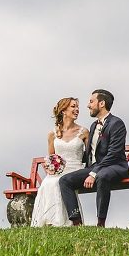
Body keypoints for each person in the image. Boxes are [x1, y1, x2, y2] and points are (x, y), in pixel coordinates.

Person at [59, 89, 129, 228]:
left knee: (102, 176)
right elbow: (89, 153)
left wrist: (93, 173)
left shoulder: (117, 124)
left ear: (101, 103)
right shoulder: (93, 125)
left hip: (115, 166)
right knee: (65, 180)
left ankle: (100, 223)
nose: (88, 105)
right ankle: (77, 222)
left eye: (91, 102)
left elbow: (113, 154)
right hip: (95, 167)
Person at [30, 97, 89, 227]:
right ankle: (51, 222)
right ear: (63, 110)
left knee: (59, 182)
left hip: (76, 169)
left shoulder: (84, 132)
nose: (77, 109)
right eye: (73, 107)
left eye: (77, 107)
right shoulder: (53, 134)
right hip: (59, 171)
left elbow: (90, 154)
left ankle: (68, 222)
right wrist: (50, 167)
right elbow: (51, 157)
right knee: (48, 183)